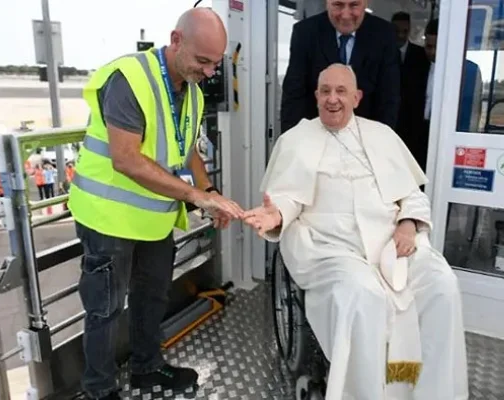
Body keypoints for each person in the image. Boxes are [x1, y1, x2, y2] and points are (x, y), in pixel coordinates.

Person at [243, 64, 468, 400]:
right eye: (325, 91)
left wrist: (408, 224)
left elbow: (411, 194)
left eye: (341, 91)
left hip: (391, 241)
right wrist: (275, 215)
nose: (333, 99)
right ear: (316, 95)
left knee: (442, 285)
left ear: (357, 97)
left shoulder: (382, 135)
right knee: (365, 295)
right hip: (330, 246)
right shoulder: (296, 140)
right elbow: (288, 197)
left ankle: (433, 393)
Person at [67, 8, 244, 400]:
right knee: (105, 309)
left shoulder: (193, 92)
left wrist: (209, 192)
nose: (210, 71)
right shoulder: (129, 78)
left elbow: (188, 148)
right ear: (176, 40)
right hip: (107, 217)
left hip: (152, 221)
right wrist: (193, 196)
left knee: (151, 298)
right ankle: (99, 389)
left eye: (216, 63)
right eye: (203, 61)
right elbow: (125, 158)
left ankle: (147, 369)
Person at [280, 0, 400, 134]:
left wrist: (381, 143)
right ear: (327, 3)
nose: (346, 15)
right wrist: (292, 142)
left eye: (354, 5)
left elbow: (389, 97)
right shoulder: (305, 33)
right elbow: (294, 95)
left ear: (366, 3)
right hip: (316, 134)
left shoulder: (384, 34)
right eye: (338, 5)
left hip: (366, 136)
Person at [391, 12, 429, 158]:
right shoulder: (383, 53)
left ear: (410, 30)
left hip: (414, 121)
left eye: (405, 31)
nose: (400, 35)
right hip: (391, 119)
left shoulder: (421, 55)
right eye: (397, 31)